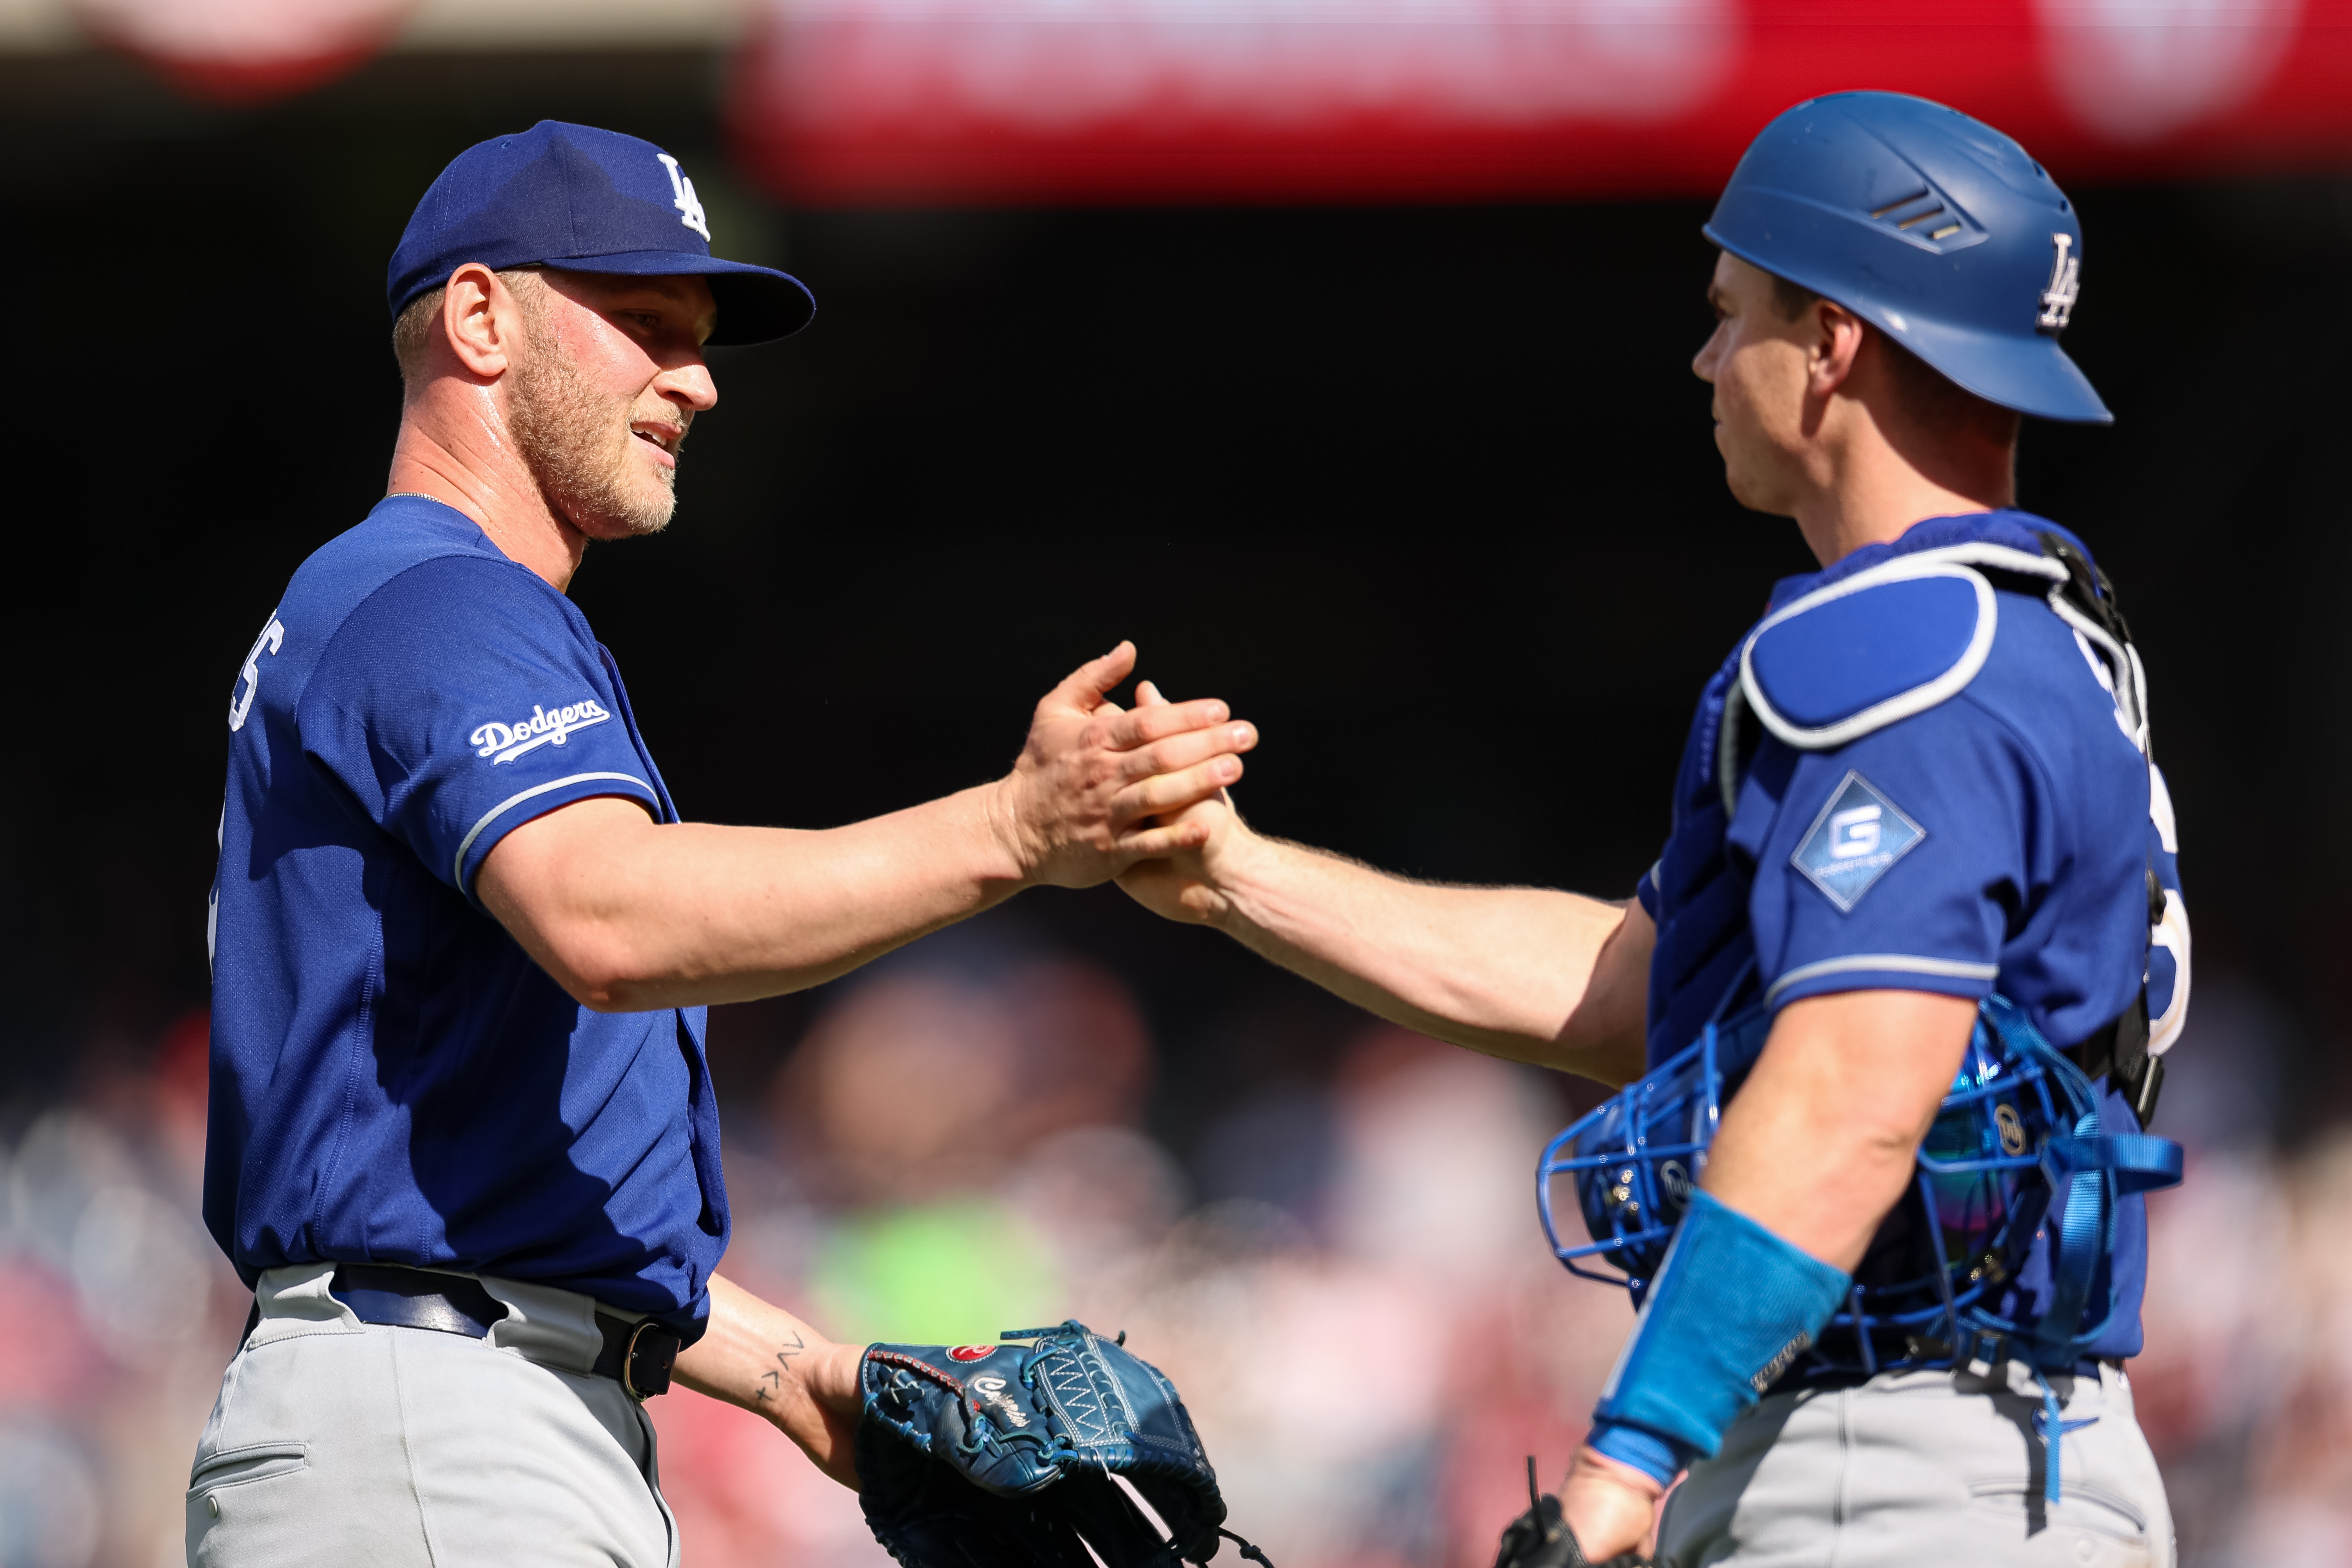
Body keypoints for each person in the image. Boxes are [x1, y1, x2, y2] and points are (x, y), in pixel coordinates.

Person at [1118, 91, 2187, 1566]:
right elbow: (1636, 990)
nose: (1702, 356)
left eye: (1730, 310)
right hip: (2003, 1451)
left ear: (1832, 342)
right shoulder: (2039, 634)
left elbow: (1853, 1088)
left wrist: (1627, 1460)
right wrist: (1238, 878)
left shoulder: (1900, 650)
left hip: (1900, 1461)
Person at [194, 120, 1257, 1567]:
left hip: (457, 1415)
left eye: (699, 342)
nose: (695, 381)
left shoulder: (425, 609)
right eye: (643, 325)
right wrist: (1016, 828)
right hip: (435, 1428)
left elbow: (478, 1182)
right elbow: (611, 923)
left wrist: (793, 1373)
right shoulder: (436, 599)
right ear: (481, 317)